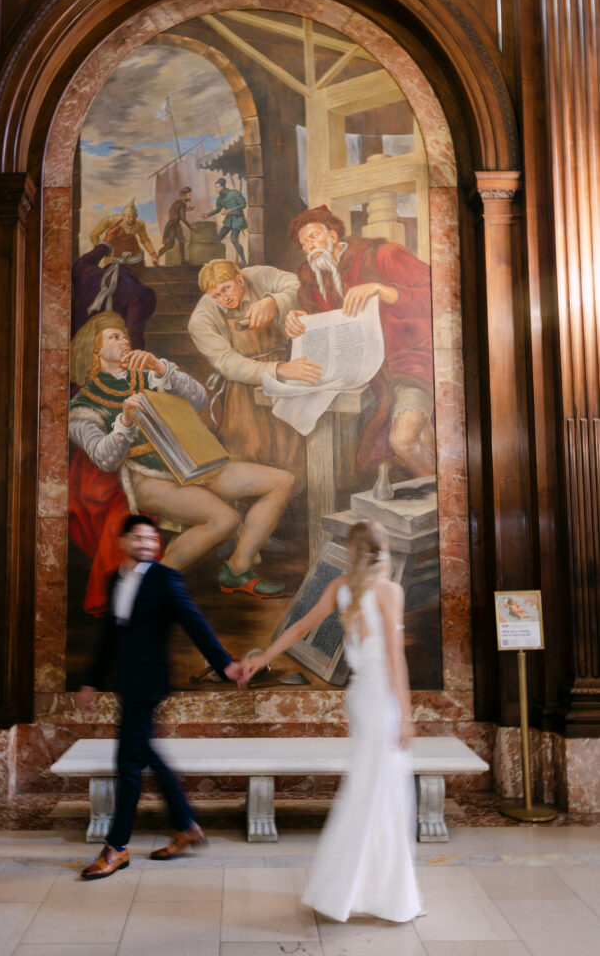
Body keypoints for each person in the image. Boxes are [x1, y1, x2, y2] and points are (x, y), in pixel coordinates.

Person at [239, 520, 423, 923]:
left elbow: (300, 626)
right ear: (382, 551)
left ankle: (366, 891)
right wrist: (407, 716)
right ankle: (371, 893)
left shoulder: (341, 586)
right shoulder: (390, 590)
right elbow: (396, 658)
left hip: (360, 696)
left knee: (372, 789)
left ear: (352, 551)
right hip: (381, 700)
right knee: (383, 794)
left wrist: (262, 658)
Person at [69, 311, 293, 611]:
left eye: (124, 335)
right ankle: (149, 588)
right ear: (95, 351)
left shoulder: (148, 374)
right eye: (114, 337)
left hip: (193, 462)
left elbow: (199, 398)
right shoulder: (84, 405)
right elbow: (105, 459)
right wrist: (125, 420)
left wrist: (160, 368)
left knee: (282, 482)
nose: (124, 340)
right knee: (226, 519)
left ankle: (239, 567)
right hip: (148, 477)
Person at [78, 515, 242, 877]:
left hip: (149, 683)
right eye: (139, 538)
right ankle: (186, 825)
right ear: (123, 541)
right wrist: (90, 681)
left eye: (152, 539)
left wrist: (225, 664)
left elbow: (194, 621)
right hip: (128, 682)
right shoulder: (115, 578)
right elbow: (109, 634)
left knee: (128, 763)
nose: (147, 544)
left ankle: (117, 848)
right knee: (146, 753)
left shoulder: (165, 578)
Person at [285, 206, 435, 479]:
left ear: (333, 235)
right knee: (423, 441)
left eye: (314, 237)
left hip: (412, 362)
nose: (309, 247)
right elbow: (326, 331)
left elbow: (436, 292)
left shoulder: (382, 255)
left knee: (404, 440)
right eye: (304, 243)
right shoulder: (312, 286)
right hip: (374, 377)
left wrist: (382, 290)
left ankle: (442, 497)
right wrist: (301, 323)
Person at [188, 258, 320, 473]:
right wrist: (279, 369)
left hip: (288, 375)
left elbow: (299, 285)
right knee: (249, 449)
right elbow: (227, 363)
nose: (224, 298)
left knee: (291, 448)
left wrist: (273, 301)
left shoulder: (259, 276)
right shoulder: (201, 319)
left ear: (240, 280)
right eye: (216, 295)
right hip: (243, 387)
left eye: (226, 289)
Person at [71, 241, 156, 350]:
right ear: (140, 267)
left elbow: (83, 261)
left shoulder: (85, 272)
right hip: (108, 355)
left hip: (75, 350)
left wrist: (104, 246)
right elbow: (133, 335)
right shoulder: (142, 294)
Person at [90, 198, 160, 266]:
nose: (131, 219)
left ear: (136, 216)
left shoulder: (139, 224)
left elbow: (145, 240)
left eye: (134, 217)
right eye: (129, 217)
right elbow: (94, 235)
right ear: (123, 216)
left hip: (134, 259)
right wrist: (101, 250)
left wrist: (153, 255)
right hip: (113, 258)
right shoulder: (110, 221)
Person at [202, 178, 248, 266]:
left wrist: (230, 210)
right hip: (229, 220)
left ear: (223, 186)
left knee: (233, 239)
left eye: (218, 187)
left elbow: (243, 204)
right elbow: (218, 209)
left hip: (238, 219)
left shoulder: (234, 193)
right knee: (218, 238)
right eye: (216, 187)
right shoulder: (220, 198)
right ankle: (212, 260)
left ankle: (243, 260)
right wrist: (208, 215)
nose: (216, 189)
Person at [157, 186, 195, 263]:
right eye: (189, 195)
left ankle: (183, 261)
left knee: (182, 241)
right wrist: (192, 228)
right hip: (173, 225)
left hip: (175, 224)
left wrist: (186, 210)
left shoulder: (178, 203)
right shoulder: (182, 205)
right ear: (184, 196)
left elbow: (177, 212)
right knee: (170, 245)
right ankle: (157, 256)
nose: (191, 196)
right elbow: (183, 218)